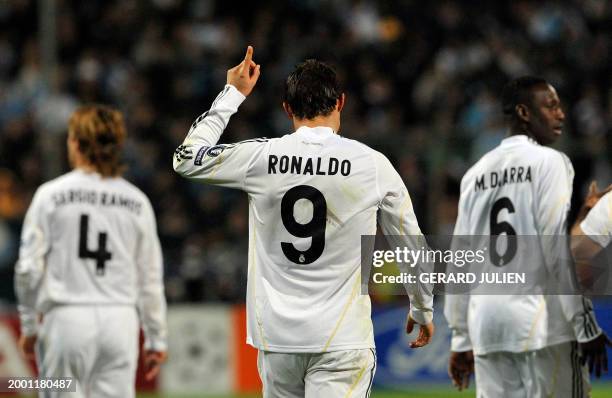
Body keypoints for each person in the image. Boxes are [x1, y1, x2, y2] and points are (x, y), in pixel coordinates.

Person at [173, 46, 435, 397]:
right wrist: (422, 307)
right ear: (341, 102)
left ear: (287, 109)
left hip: (278, 341)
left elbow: (186, 159)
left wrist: (233, 93)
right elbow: (411, 245)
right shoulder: (372, 165)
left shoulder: (260, 157)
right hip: (342, 340)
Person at [444, 76, 609, 397]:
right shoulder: (551, 163)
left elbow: (459, 261)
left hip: (487, 327)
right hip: (541, 324)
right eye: (550, 106)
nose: (561, 114)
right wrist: (584, 325)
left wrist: (461, 338)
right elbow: (553, 249)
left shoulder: (474, 174)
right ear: (523, 112)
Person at [15, 105, 168, 397]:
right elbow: (149, 277)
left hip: (66, 319)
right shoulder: (136, 201)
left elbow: (28, 268)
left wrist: (28, 323)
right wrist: (155, 338)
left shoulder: (50, 195)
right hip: (120, 323)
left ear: (75, 143)